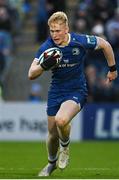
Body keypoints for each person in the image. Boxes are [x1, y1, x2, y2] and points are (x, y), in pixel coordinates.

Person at [28, 11, 118, 176]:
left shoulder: (80, 41)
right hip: (56, 91)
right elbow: (31, 74)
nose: (54, 34)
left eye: (58, 30)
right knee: (52, 133)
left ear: (66, 29)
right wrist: (44, 65)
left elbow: (105, 44)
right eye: (52, 31)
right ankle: (51, 164)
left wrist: (112, 69)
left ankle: (65, 147)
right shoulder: (47, 47)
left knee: (61, 120)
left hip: (77, 90)